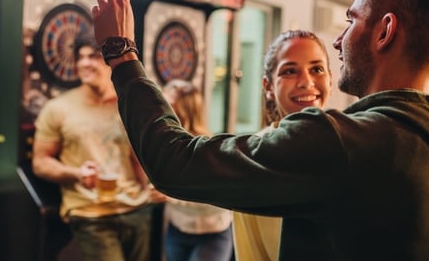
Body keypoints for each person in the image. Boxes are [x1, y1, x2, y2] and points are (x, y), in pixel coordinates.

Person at [91, 0, 429, 261]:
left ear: (385, 31)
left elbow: (174, 162)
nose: (339, 40)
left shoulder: (346, 142)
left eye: (351, 20)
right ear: (268, 87)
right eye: (289, 71)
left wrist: (122, 54)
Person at [32, 29, 153, 261]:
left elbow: (136, 156)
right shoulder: (58, 108)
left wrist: (153, 186)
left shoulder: (127, 104)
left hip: (137, 209)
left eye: (94, 57)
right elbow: (40, 162)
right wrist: (76, 174)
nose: (85, 63)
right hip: (91, 214)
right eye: (81, 57)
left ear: (110, 62)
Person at [232, 30, 333, 261]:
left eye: (316, 69)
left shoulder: (356, 146)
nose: (306, 82)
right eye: (290, 71)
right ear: (268, 86)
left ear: (330, 79)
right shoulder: (251, 159)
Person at [151, 79, 234, 261]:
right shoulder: (167, 147)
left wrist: (170, 196)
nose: (161, 111)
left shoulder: (207, 148)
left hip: (213, 233)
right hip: (178, 229)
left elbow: (217, 198)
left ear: (186, 110)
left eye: (168, 105)